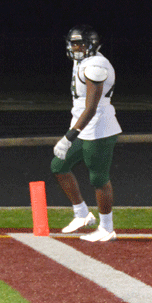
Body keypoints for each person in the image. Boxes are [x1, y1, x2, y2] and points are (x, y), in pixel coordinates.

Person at [50, 25, 122, 242]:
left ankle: (107, 228)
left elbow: (91, 107)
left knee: (98, 178)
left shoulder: (96, 65)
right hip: (84, 127)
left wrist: (69, 136)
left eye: (81, 43)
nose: (76, 47)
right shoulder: (80, 62)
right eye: (73, 43)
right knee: (59, 166)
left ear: (93, 45)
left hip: (99, 128)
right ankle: (82, 214)